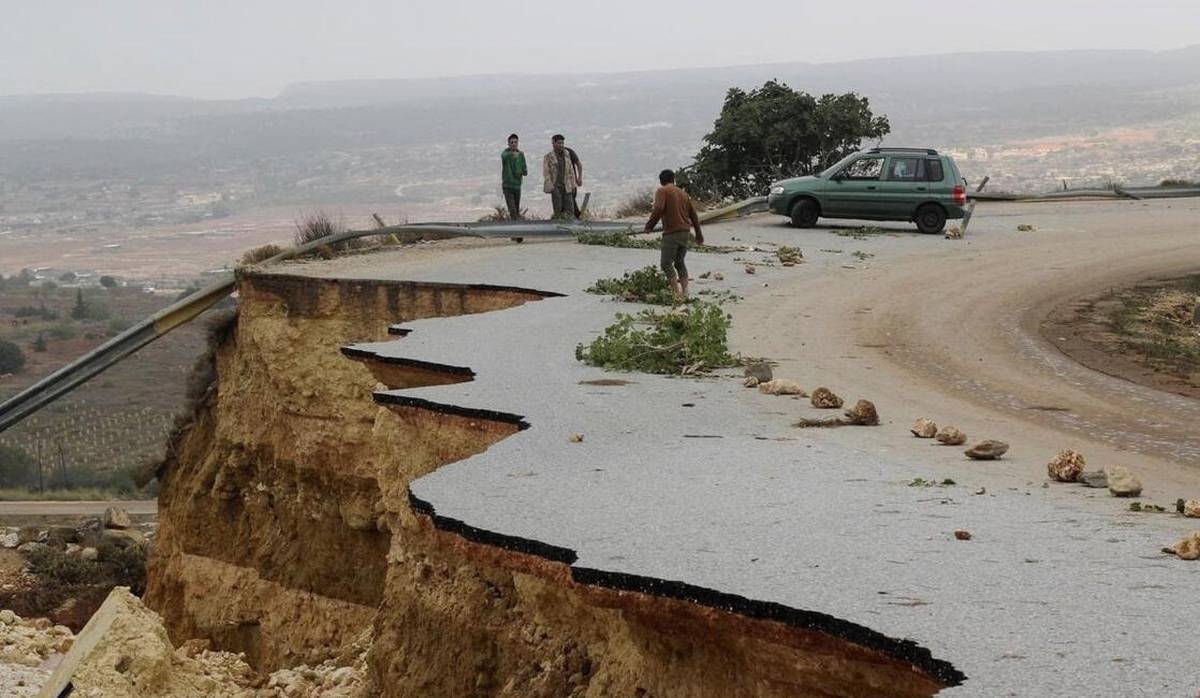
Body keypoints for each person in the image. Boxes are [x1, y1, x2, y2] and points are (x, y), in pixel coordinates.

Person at [643, 169, 704, 301]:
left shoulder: (662, 191)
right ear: (673, 180)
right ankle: (685, 291)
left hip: (672, 233)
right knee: (679, 262)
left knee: (666, 264)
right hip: (685, 233)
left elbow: (658, 208)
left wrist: (649, 225)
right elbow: (693, 215)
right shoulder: (683, 193)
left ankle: (676, 293)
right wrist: (698, 234)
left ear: (661, 181)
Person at [542, 134, 577, 219]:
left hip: (566, 185)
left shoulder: (566, 154)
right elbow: (547, 172)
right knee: (558, 208)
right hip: (556, 185)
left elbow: (571, 171)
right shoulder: (549, 157)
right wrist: (551, 186)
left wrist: (573, 184)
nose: (561, 145)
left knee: (570, 209)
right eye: (559, 143)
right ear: (553, 143)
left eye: (562, 143)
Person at [500, 133, 527, 220]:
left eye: (515, 142)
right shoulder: (506, 153)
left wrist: (523, 171)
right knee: (512, 209)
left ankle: (517, 225)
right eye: (512, 142)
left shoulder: (521, 154)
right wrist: (512, 154)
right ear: (509, 144)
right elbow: (504, 156)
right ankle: (514, 224)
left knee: (516, 207)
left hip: (517, 185)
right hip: (508, 185)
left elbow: (524, 167)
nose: (514, 144)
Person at [565, 143, 583, 218]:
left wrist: (579, 178)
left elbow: (578, 164)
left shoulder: (569, 152)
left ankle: (576, 216)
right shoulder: (552, 155)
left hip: (571, 182)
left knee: (571, 200)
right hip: (560, 183)